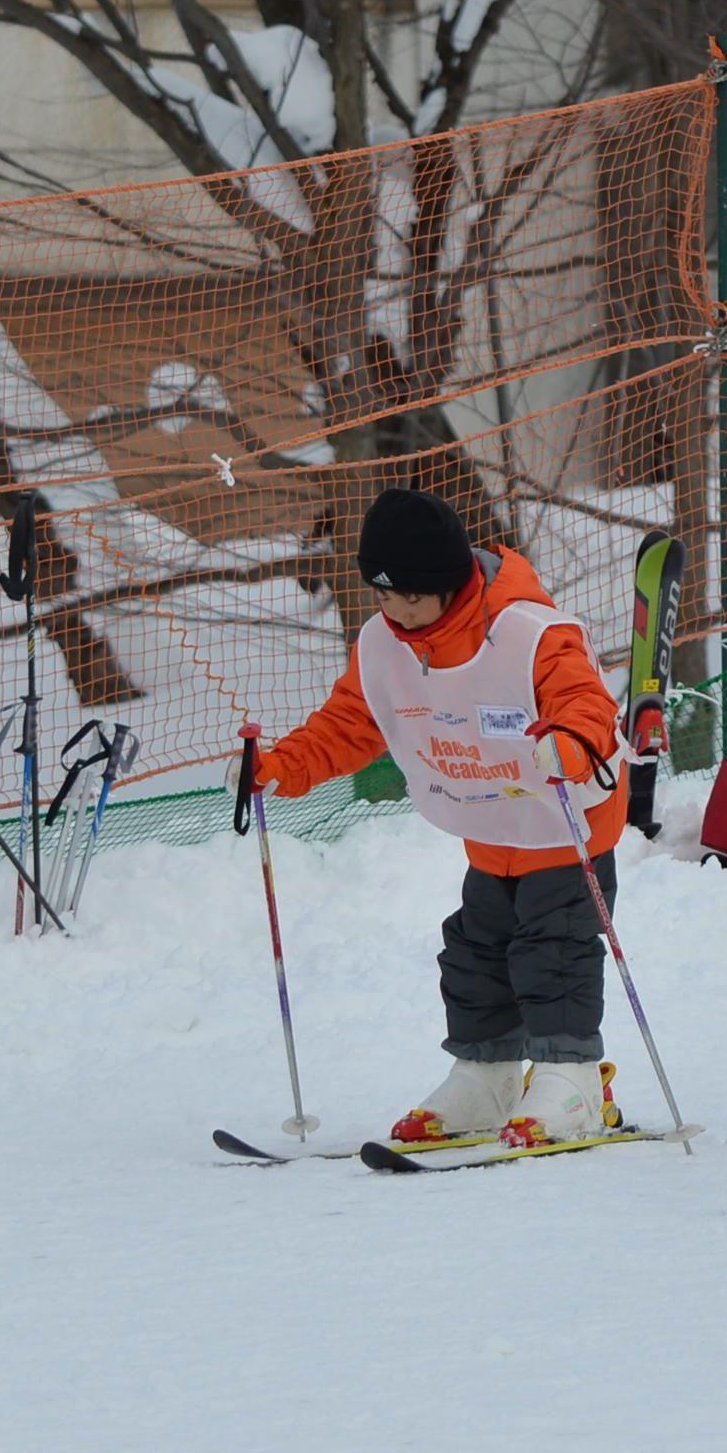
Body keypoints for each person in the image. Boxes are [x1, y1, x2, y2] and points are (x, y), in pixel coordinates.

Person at [245, 485, 630, 1147]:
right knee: (475, 953)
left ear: (449, 583)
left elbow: (585, 702)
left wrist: (569, 742)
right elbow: (352, 723)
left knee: (553, 950)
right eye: (383, 594)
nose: (395, 610)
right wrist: (282, 767)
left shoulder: (527, 632)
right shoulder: (386, 644)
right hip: (488, 827)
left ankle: (572, 1079)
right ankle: (486, 1076)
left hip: (563, 827)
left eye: (410, 596)